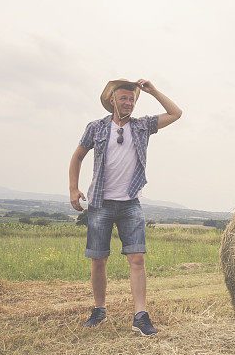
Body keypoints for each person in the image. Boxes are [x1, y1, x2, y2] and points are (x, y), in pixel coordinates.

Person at [68, 78, 182, 336]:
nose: (129, 102)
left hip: (130, 202)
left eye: (132, 99)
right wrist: (73, 188)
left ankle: (140, 316)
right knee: (99, 261)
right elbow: (77, 156)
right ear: (112, 100)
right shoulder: (96, 128)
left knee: (137, 258)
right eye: (124, 98)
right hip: (100, 203)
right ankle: (99, 310)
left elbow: (176, 113)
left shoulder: (142, 126)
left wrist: (152, 91)